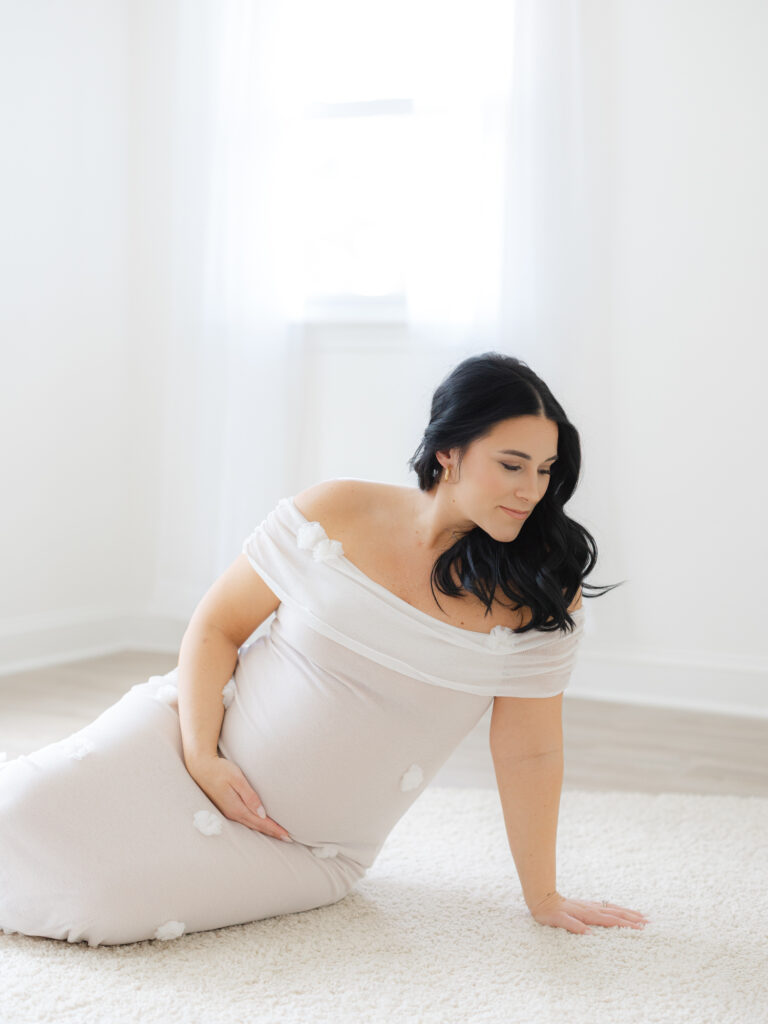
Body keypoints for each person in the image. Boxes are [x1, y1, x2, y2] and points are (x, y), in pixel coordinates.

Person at [0, 351, 649, 946]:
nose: (531, 490)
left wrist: (543, 896)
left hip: (303, 845)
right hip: (183, 740)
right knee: (19, 813)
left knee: (106, 905)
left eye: (545, 470)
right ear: (449, 451)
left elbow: (530, 752)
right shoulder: (336, 509)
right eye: (511, 465)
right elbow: (217, 625)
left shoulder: (540, 595)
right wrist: (202, 756)